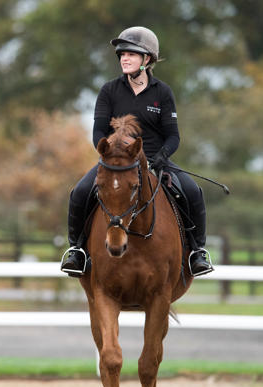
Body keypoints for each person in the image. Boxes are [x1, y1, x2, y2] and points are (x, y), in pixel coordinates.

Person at [60, 26, 213, 277]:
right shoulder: (109, 90)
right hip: (116, 162)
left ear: (147, 59)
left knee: (193, 191)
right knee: (80, 192)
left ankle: (198, 252)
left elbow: (173, 136)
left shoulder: (162, 92)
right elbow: (98, 132)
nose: (124, 58)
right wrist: (107, 151)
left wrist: (162, 155)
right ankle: (77, 250)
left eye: (131, 54)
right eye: (121, 55)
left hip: (156, 160)